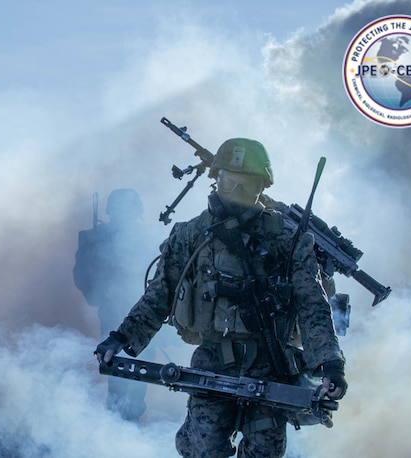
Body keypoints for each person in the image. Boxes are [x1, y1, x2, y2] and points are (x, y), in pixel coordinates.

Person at [94, 138, 347, 457]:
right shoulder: (190, 234)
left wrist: (330, 366)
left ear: (263, 186)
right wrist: (121, 338)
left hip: (271, 363)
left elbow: (313, 305)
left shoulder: (287, 240)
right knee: (203, 447)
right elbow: (159, 294)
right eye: (230, 180)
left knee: (263, 450)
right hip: (212, 361)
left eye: (248, 183)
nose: (237, 190)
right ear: (216, 179)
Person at [73, 188, 160, 421]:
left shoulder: (146, 237)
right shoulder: (97, 240)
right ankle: (118, 418)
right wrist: (99, 292)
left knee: (140, 365)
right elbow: (82, 273)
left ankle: (129, 415)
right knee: (117, 363)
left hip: (146, 312)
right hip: (116, 308)